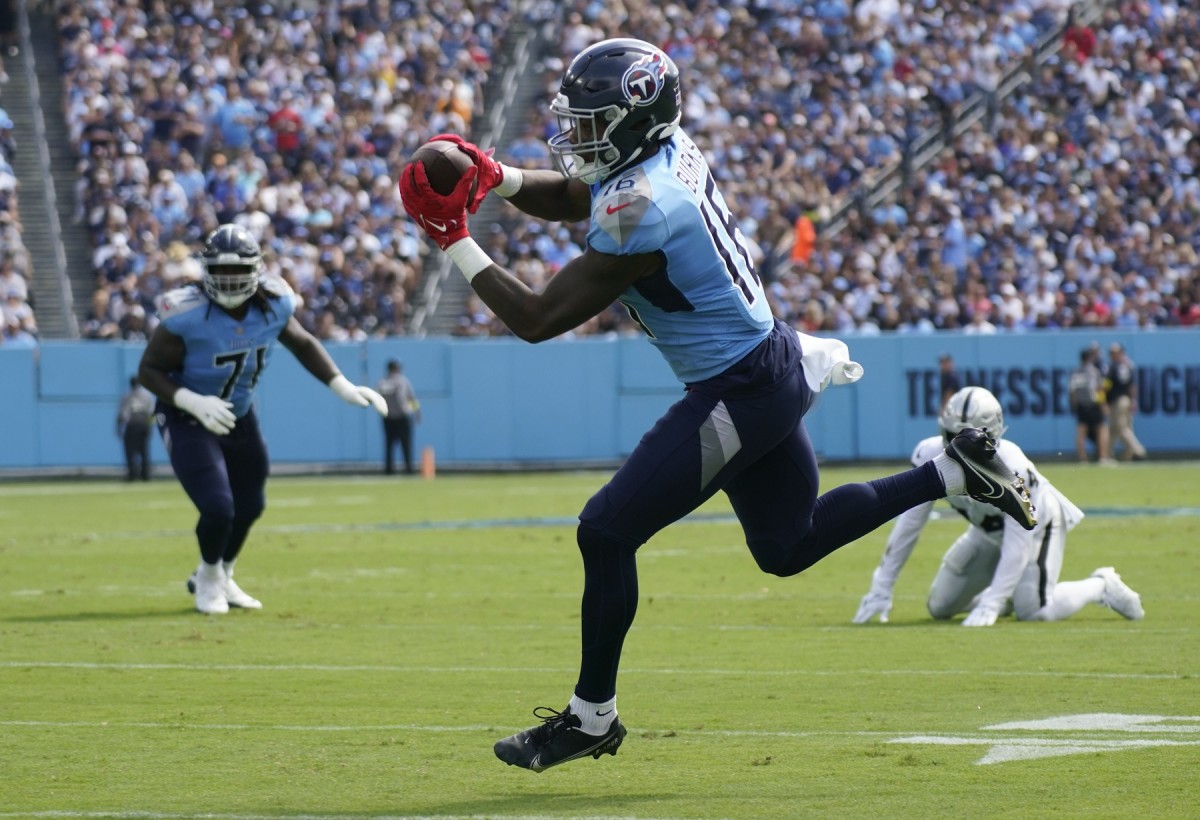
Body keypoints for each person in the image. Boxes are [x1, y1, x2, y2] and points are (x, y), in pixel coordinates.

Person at [398, 38, 1035, 773]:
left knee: (605, 532)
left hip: (741, 387)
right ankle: (952, 473)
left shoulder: (647, 207)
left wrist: (453, 239)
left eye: (592, 123)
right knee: (787, 546)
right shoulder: (654, 160)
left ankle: (589, 717)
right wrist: (498, 177)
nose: (576, 137)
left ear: (635, 121)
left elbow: (539, 319)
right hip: (761, 365)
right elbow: (581, 194)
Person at [137, 224, 387, 615]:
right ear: (206, 271)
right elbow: (148, 371)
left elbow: (303, 342)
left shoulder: (273, 303)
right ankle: (206, 578)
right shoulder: (184, 313)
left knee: (251, 505)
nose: (231, 280)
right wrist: (191, 400)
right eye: (221, 271)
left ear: (256, 271)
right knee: (219, 507)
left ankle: (224, 575)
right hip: (187, 416)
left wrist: (341, 385)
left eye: (239, 272)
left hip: (239, 412)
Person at [853, 387, 1144, 627]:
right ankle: (1006, 597)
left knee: (1035, 609)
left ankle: (1101, 585)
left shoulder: (1013, 467)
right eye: (952, 438)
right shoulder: (928, 454)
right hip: (987, 531)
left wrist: (992, 601)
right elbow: (909, 524)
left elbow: (1019, 539)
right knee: (940, 607)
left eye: (967, 440)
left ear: (991, 438)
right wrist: (881, 587)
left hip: (1036, 524)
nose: (957, 449)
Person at [1068, 346, 1113, 464]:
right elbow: (1099, 390)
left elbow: (1072, 391)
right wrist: (1103, 405)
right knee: (1102, 429)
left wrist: (1074, 405)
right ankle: (1103, 456)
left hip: (1081, 405)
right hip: (1094, 404)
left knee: (1081, 431)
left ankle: (1082, 457)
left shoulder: (1075, 372)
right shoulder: (1094, 371)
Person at [1104, 343, 1147, 461]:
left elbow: (1106, 385)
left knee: (1121, 428)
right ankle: (1109, 454)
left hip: (1117, 401)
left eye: (1114, 353)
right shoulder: (1128, 365)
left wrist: (1103, 401)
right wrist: (1133, 400)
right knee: (1116, 429)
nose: (1112, 355)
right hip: (1126, 399)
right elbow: (1132, 386)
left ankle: (1138, 450)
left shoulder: (1113, 367)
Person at [377, 359, 420, 474]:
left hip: (388, 417)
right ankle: (408, 468)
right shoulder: (402, 381)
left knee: (389, 444)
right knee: (406, 444)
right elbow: (412, 398)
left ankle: (389, 469)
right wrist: (417, 413)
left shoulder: (382, 382)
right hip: (402, 416)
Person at [116, 375, 155, 481]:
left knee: (130, 450)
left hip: (132, 424)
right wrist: (150, 426)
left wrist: (119, 428)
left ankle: (132, 474)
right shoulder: (147, 396)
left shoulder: (127, 396)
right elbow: (151, 413)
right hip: (143, 423)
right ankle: (145, 475)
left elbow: (122, 414)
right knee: (144, 450)